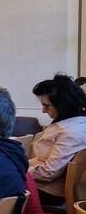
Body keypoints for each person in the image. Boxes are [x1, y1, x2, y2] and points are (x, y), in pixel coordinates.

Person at [29, 73, 86, 204]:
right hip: (45, 185)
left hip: (48, 190)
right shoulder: (77, 124)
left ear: (63, 105)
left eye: (47, 106)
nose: (43, 111)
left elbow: (48, 173)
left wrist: (21, 171)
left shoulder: (71, 132)